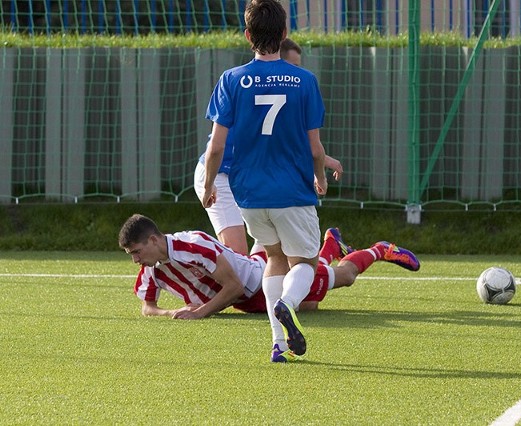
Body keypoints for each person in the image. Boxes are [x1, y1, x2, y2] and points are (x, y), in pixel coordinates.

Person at [200, 0, 328, 361]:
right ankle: (287, 303)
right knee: (305, 261)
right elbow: (315, 149)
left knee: (272, 256)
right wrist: (319, 178)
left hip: (249, 193)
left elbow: (216, 147)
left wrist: (209, 186)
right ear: (284, 34)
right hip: (292, 189)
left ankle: (278, 343)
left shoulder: (231, 79)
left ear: (247, 36)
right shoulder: (304, 81)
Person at [118, 214, 421, 362]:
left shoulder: (193, 245)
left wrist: (200, 313)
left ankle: (380, 249)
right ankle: (331, 243)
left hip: (260, 284)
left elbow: (235, 287)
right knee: (309, 304)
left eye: (137, 252)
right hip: (254, 269)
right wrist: (171, 311)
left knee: (342, 278)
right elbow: (147, 307)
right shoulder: (151, 267)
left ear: (155, 240)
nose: (135, 260)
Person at [193, 36, 342, 256]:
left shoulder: (281, 87)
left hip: (253, 177)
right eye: (291, 65)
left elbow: (288, 142)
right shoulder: (244, 84)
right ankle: (335, 254)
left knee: (274, 253)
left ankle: (332, 254)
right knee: (240, 260)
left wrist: (323, 161)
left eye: (297, 67)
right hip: (220, 175)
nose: (292, 72)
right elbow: (219, 147)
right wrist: (209, 184)